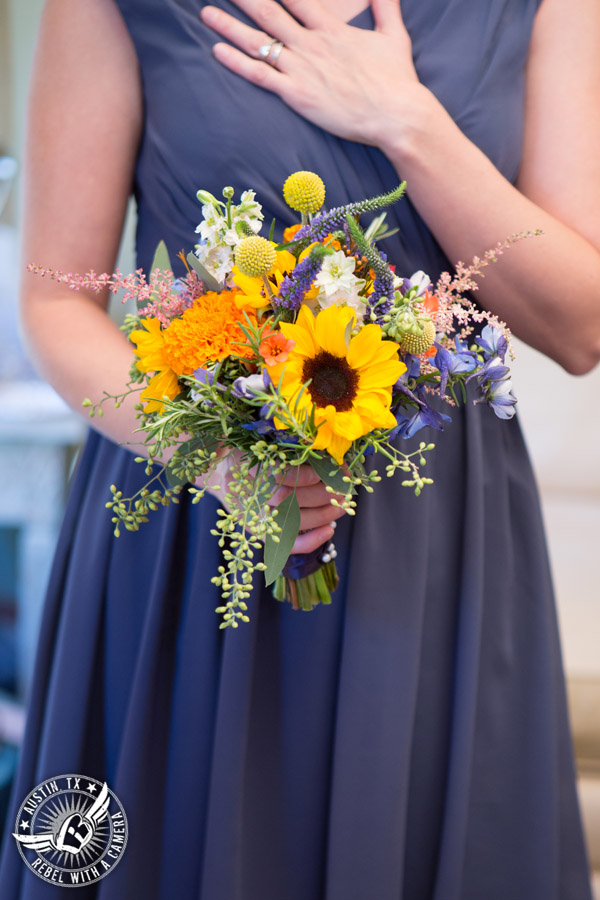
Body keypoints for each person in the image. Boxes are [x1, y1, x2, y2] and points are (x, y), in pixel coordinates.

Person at [0, 0, 598, 897]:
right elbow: (57, 301)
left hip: (439, 538)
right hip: (193, 514)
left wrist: (407, 122)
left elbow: (581, 326)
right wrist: (220, 459)